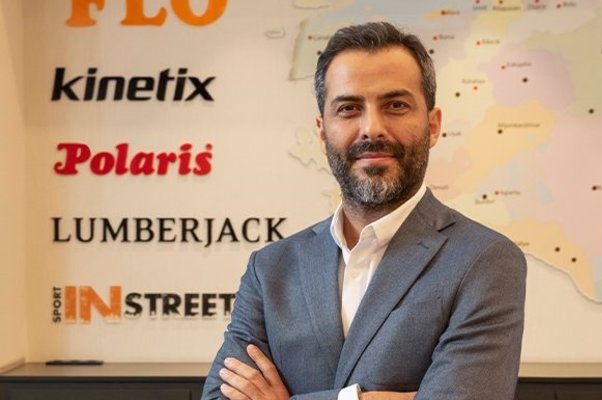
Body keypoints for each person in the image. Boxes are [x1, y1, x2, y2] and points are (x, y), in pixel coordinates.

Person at [201, 21, 526, 400]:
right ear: (322, 132)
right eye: (349, 108)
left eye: (396, 105)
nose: (372, 128)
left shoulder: (485, 260)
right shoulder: (270, 269)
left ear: (433, 125)